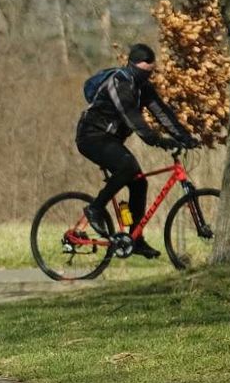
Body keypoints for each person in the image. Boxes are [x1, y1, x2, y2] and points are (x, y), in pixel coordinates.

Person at [75, 43, 197, 259]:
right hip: (91, 136)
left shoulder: (142, 87)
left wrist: (184, 137)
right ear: (133, 66)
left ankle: (136, 239)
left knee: (140, 182)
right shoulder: (119, 82)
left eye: (151, 72)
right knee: (127, 167)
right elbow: (131, 117)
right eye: (145, 71)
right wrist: (157, 140)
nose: (148, 76)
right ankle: (95, 208)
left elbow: (161, 112)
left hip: (110, 139)